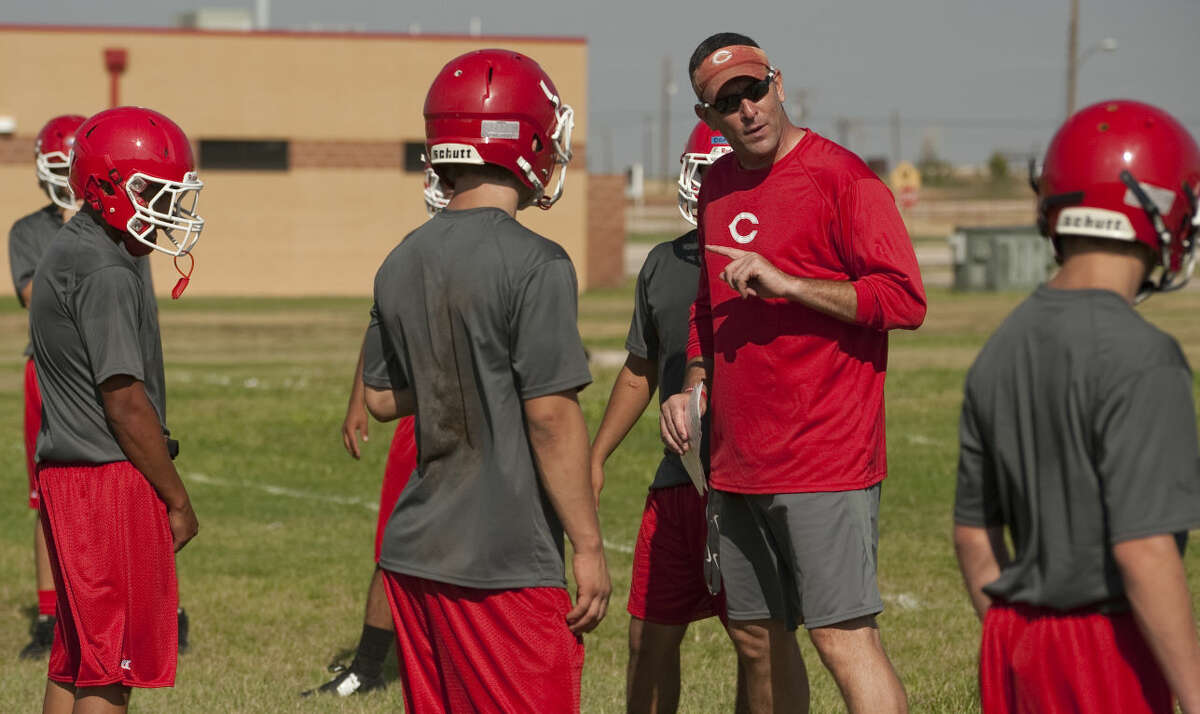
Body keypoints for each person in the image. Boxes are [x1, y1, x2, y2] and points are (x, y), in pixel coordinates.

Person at [660, 33, 926, 714]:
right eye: (729, 101)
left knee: (842, 638)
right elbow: (705, 307)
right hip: (739, 460)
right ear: (709, 113)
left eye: (755, 89)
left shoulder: (843, 178)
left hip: (824, 456)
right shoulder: (719, 183)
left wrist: (793, 284)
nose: (748, 109)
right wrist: (695, 377)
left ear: (778, 82)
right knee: (761, 642)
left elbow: (903, 299)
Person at [359, 49, 610, 713]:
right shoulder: (537, 262)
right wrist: (588, 547)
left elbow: (383, 398)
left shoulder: (400, 258)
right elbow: (550, 416)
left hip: (415, 554)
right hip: (501, 561)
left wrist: (471, 373)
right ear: (520, 137)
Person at [954, 99, 1200, 714]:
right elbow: (1143, 549)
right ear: (1156, 208)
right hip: (1109, 647)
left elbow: (973, 536)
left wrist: (1021, 636)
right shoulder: (1144, 355)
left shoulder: (1000, 347)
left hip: (1015, 639)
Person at [31, 106, 203, 714]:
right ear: (107, 185)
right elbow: (126, 402)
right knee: (111, 668)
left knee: (79, 656)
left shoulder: (80, 247)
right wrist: (177, 499)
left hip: (73, 475)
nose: (167, 205)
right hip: (103, 481)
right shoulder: (104, 267)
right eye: (154, 190)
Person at [591, 120, 747, 714]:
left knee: (756, 640)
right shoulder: (662, 262)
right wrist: (597, 454)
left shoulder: (772, 252)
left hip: (745, 478)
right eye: (703, 174)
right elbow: (641, 367)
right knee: (648, 637)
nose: (710, 187)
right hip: (678, 474)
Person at [301, 172, 449, 698]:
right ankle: (367, 665)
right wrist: (356, 400)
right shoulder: (412, 254)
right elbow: (379, 329)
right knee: (396, 543)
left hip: (489, 423)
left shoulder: (507, 251)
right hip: (418, 416)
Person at [8, 114, 85, 659]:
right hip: (51, 369)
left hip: (106, 366)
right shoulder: (28, 231)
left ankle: (143, 600)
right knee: (48, 493)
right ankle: (48, 612)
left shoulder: (119, 228)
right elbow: (39, 296)